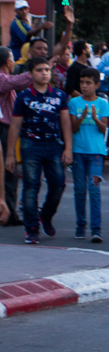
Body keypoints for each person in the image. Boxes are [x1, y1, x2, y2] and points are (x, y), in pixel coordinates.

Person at [6, 57, 72, 243]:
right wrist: (10, 154)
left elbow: (65, 122)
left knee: (58, 184)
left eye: (47, 69)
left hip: (54, 145)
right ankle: (32, 228)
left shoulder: (59, 95)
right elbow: (15, 126)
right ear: (30, 74)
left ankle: (46, 215)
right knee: (31, 187)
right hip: (30, 146)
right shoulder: (23, 97)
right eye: (39, 70)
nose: (44, 73)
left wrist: (68, 148)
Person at [68, 67, 109, 242]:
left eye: (88, 83)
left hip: (96, 152)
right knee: (79, 189)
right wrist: (82, 115)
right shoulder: (74, 102)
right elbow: (73, 128)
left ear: (96, 85)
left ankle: (96, 229)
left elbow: (103, 129)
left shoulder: (103, 103)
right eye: (82, 83)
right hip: (78, 151)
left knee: (94, 190)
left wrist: (94, 117)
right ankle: (80, 225)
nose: (84, 86)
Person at [0, 47, 31, 225]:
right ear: (7, 61)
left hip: (8, 129)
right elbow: (15, 82)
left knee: (10, 170)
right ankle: (8, 212)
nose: (14, 62)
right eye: (12, 58)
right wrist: (33, 74)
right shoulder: (3, 78)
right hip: (3, 129)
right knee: (8, 170)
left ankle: (10, 211)